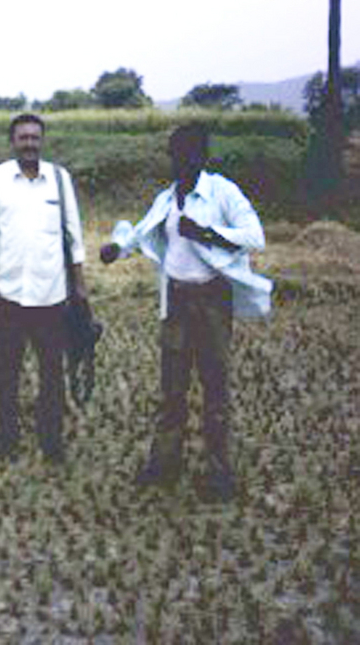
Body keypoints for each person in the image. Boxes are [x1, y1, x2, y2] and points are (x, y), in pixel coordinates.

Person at [100, 123, 272, 502]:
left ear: (203, 156)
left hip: (211, 303)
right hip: (176, 303)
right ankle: (165, 466)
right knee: (172, 389)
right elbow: (141, 231)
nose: (182, 161)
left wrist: (207, 233)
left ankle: (220, 473)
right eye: (176, 154)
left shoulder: (222, 193)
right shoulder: (167, 198)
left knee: (215, 388)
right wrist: (116, 249)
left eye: (191, 154)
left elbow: (254, 234)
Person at [0, 113, 87, 464]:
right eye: (23, 138)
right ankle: (6, 441)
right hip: (6, 295)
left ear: (42, 140)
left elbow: (74, 234)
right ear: (13, 142)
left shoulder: (59, 179)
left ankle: (51, 442)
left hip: (51, 297)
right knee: (3, 375)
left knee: (53, 375)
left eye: (35, 137)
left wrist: (80, 287)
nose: (29, 143)